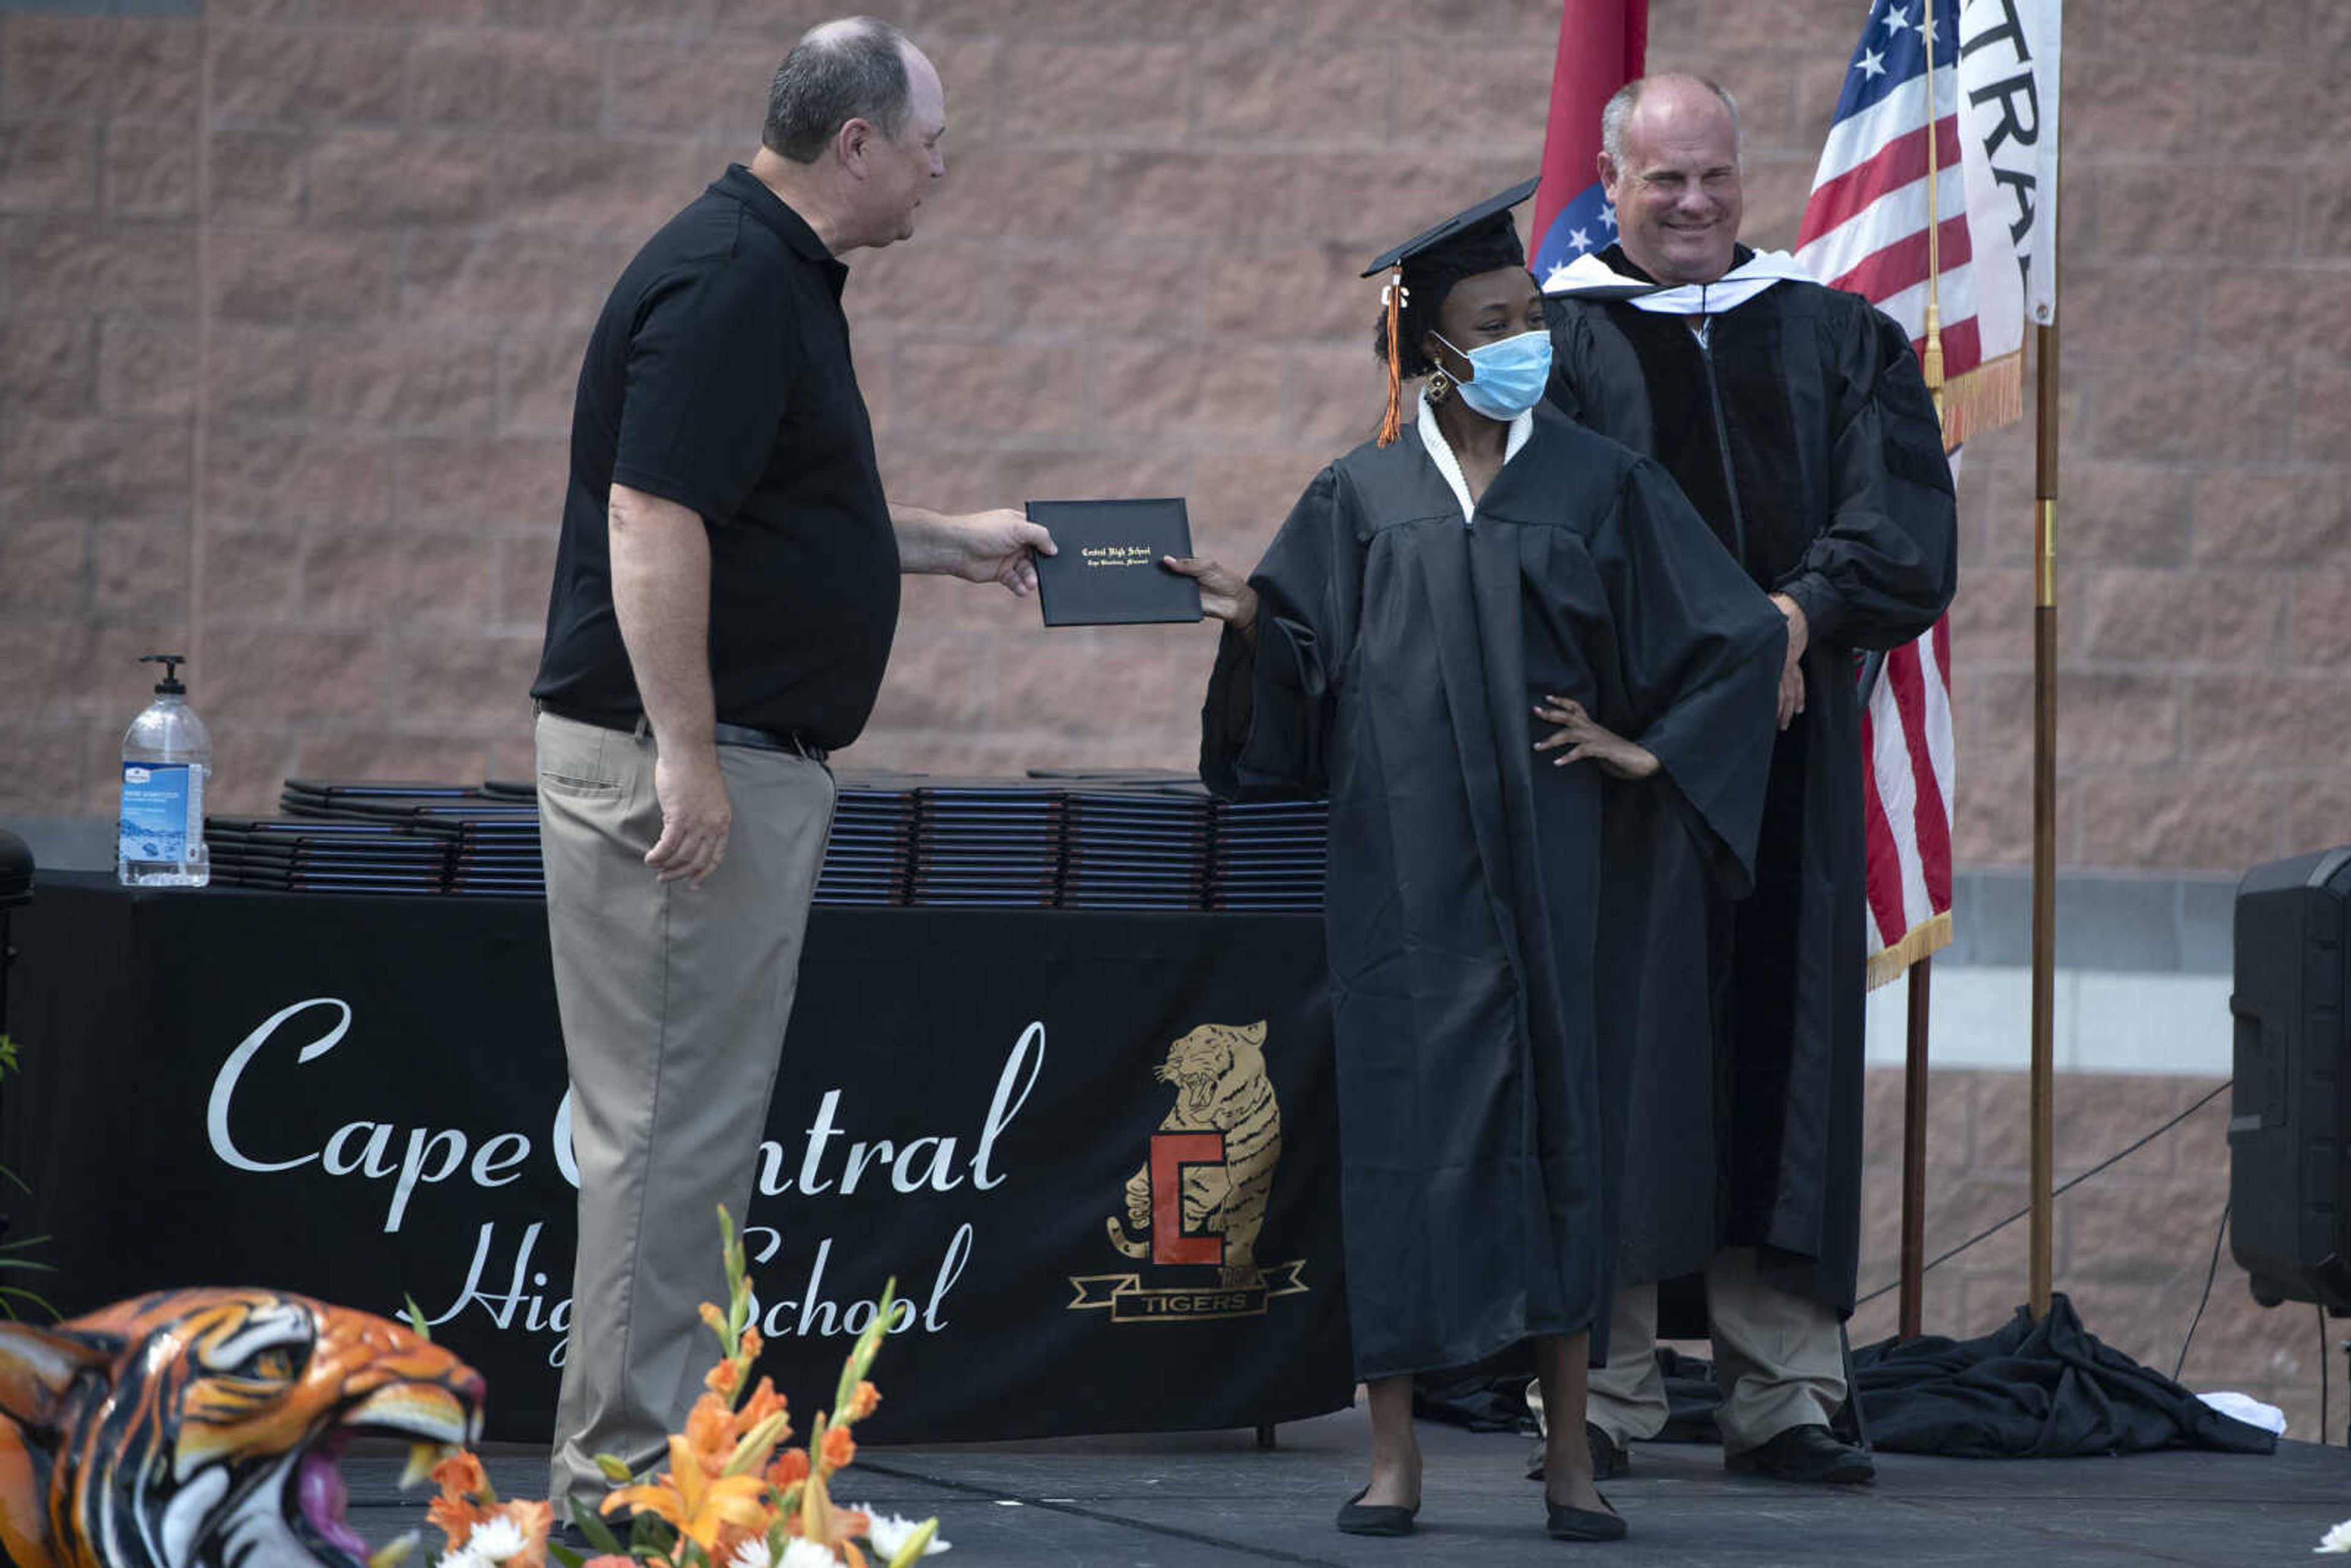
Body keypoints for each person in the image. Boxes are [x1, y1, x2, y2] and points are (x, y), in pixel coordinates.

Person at [1167, 180, 1787, 1544]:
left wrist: (1652, 752)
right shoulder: (1363, 492)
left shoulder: (1600, 480)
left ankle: (1570, 1458)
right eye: (1494, 320)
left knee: (1564, 1138)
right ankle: (1394, 1461)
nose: (1526, 338)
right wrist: (1252, 620)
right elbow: (1307, 675)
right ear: (1431, 349)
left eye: (1533, 315)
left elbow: (1735, 635)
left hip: (1563, 872)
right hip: (1406, 877)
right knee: (1400, 1147)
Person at [527, 17, 1052, 1516]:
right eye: (932, 141)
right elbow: (653, 520)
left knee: (694, 1144)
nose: (944, 168)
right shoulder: (729, 282)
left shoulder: (775, 274)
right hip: (687, 771)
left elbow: (765, 509)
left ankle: (670, 1473)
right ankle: (623, 1503)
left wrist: (948, 546)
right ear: (859, 143)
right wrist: (688, 759)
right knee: (668, 1143)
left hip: (727, 762)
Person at [1540, 73, 1958, 1486]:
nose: (1698, 205)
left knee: (1784, 1057)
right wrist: (1721, 660)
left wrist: (1789, 621)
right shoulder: (1549, 346)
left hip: (1790, 779)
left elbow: (1902, 538)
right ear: (1610, 180)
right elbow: (1531, 550)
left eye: (1716, 176)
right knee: (1624, 1059)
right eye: (1665, 181)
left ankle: (1781, 1391)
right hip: (1619, 769)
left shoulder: (1840, 337)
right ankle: (1599, 1391)